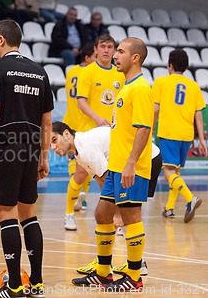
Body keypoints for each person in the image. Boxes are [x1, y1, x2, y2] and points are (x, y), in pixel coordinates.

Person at [0, 19, 54, 298]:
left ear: (1, 40)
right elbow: (47, 122)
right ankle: (38, 283)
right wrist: (43, 157)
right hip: (31, 148)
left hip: (5, 147)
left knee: (6, 214)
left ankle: (15, 287)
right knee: (28, 213)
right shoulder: (39, 71)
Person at [72, 37, 153, 292]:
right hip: (116, 166)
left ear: (135, 57)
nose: (114, 55)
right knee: (102, 213)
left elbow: (144, 128)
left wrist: (131, 163)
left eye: (120, 51)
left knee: (130, 216)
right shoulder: (126, 86)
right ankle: (103, 273)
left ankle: (134, 276)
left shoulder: (140, 88)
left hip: (132, 167)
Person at [50, 122, 163, 276]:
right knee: (106, 213)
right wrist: (114, 209)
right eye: (50, 144)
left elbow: (108, 179)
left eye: (54, 140)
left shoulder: (86, 149)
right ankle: (109, 262)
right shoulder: (79, 152)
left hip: (145, 159)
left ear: (67, 134)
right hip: (142, 159)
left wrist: (117, 212)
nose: (53, 147)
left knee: (127, 214)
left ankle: (136, 264)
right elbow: (103, 182)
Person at [153, 49, 207, 223]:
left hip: (168, 132)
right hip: (186, 135)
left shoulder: (161, 82)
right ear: (186, 67)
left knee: (168, 172)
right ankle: (169, 208)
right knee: (174, 171)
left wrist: (148, 130)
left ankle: (190, 198)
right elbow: (198, 115)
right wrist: (202, 140)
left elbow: (155, 109)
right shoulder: (194, 86)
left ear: (169, 65)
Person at [61, 43, 95, 230]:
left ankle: (78, 194)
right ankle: (82, 194)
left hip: (69, 118)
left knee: (72, 158)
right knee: (88, 161)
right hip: (83, 119)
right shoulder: (90, 73)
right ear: (88, 58)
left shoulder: (71, 71)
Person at [76, 34, 125, 133]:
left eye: (110, 47)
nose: (106, 50)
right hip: (90, 130)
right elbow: (81, 102)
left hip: (112, 130)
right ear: (96, 50)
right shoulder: (87, 71)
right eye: (102, 47)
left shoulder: (120, 74)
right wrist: (97, 118)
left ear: (114, 51)